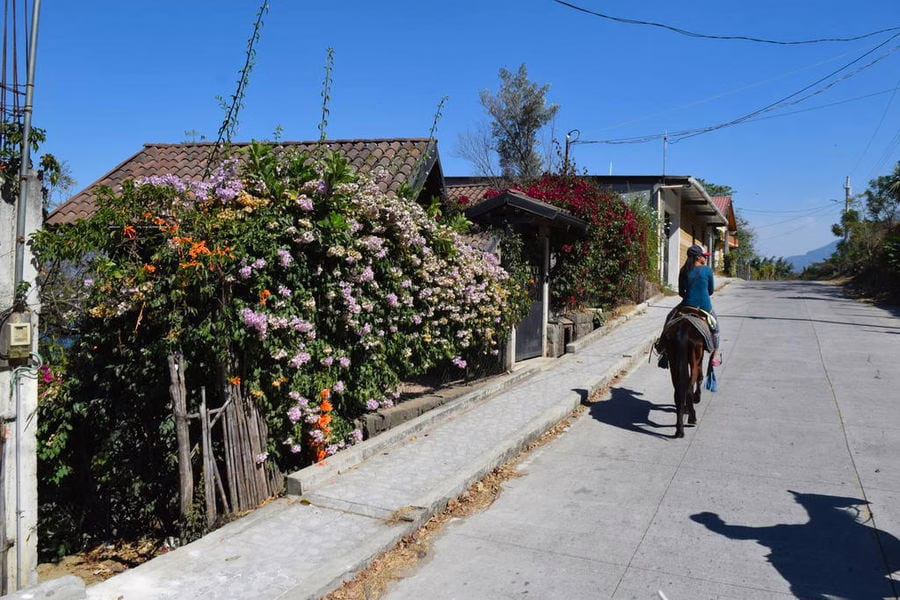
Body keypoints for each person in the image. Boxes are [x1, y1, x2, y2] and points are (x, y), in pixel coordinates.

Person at [655, 244, 721, 367]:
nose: (705, 259)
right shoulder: (707, 270)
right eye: (704, 256)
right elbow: (711, 291)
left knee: (669, 318)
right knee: (715, 328)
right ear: (698, 257)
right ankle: (716, 352)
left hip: (687, 305)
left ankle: (663, 350)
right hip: (705, 307)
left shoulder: (683, 270)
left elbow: (681, 292)